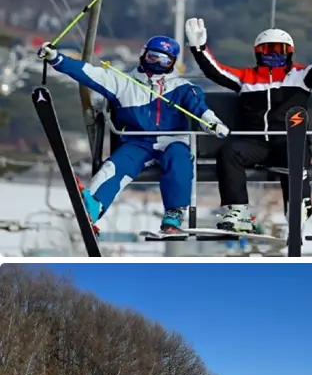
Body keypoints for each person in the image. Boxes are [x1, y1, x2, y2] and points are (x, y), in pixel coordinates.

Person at [37, 36, 229, 234]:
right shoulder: (122, 81)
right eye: (154, 57)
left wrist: (213, 124)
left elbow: (200, 109)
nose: (158, 64)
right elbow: (87, 73)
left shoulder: (183, 87)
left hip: (173, 140)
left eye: (165, 61)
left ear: (172, 63)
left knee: (179, 160)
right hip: (137, 142)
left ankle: (174, 213)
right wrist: (56, 58)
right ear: (143, 54)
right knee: (114, 166)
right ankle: (93, 205)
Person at [185, 13, 312, 234]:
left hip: (289, 141)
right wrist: (198, 48)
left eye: (279, 50)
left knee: (294, 154)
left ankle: (297, 208)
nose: (274, 55)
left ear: (289, 52)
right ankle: (238, 211)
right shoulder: (246, 77)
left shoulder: (300, 75)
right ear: (258, 53)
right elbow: (216, 72)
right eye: (268, 50)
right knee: (229, 152)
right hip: (255, 143)